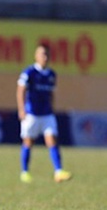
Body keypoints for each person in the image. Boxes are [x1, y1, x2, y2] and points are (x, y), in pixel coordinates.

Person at [16, 44, 72, 184]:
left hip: (47, 114)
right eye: (42, 54)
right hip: (31, 114)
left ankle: (58, 171)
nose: (45, 57)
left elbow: (51, 94)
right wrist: (21, 109)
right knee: (29, 142)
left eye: (47, 54)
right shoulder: (29, 73)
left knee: (52, 140)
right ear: (36, 56)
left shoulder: (52, 75)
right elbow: (20, 90)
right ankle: (25, 172)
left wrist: (52, 108)